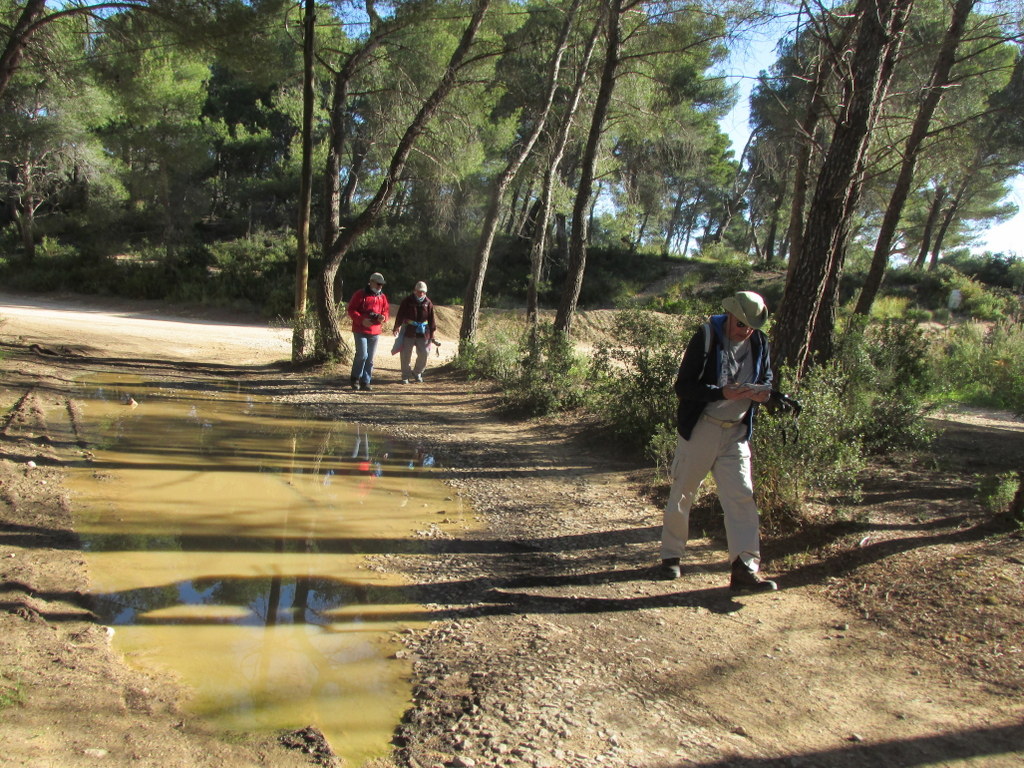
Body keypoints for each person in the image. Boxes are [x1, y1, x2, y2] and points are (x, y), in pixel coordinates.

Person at [659, 290, 778, 592]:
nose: (746, 331)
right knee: (684, 492)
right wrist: (720, 392)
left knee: (742, 498)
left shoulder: (760, 342)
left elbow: (766, 377)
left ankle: (745, 569)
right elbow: (683, 387)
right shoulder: (706, 336)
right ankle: (671, 556)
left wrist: (763, 394)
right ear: (730, 317)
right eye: (742, 325)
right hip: (703, 428)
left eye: (752, 326)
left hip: (737, 433)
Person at [347, 272, 389, 391]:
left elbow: (386, 311)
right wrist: (361, 320)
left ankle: (366, 381)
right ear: (371, 282)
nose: (380, 286)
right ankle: (355, 378)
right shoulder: (360, 294)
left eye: (382, 284)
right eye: (378, 284)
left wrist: (383, 317)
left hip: (375, 331)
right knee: (362, 355)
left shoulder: (382, 297)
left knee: (370, 358)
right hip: (360, 329)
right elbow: (351, 310)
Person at [392, 280, 437, 384]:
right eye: (419, 291)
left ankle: (417, 372)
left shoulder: (428, 303)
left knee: (424, 353)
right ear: (415, 290)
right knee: (405, 354)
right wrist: (397, 326)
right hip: (409, 331)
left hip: (424, 332)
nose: (421, 293)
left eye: (423, 292)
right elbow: (400, 315)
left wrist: (432, 333)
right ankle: (405, 375)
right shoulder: (407, 301)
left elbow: (432, 319)